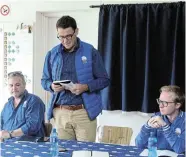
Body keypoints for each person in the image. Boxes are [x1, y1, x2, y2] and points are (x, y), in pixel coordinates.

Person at [41, 15, 109, 142]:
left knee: (84, 153)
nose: (65, 40)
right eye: (61, 37)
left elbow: (104, 80)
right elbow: (44, 81)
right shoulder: (52, 54)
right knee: (62, 152)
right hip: (60, 113)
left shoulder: (90, 51)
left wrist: (86, 87)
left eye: (68, 36)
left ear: (76, 31)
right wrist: (51, 86)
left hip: (84, 113)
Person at [135, 85, 185, 154]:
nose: (160, 106)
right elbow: (139, 145)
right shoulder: (156, 117)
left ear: (177, 105)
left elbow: (180, 149)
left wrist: (165, 126)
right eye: (160, 101)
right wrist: (147, 126)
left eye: (165, 103)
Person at [0, 71, 45, 141]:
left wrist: (10, 134)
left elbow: (33, 126)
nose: (14, 88)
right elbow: (1, 126)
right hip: (7, 145)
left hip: (28, 145)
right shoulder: (7, 105)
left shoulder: (34, 101)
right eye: (11, 85)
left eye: (17, 85)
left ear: (24, 85)